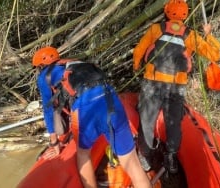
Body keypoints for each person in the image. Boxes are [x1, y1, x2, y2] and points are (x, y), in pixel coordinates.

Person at [33, 46, 151, 188]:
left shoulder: (44, 76)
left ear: (40, 66)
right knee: (133, 164)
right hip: (111, 98)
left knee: (83, 154)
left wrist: (54, 143)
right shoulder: (75, 63)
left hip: (86, 106)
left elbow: (48, 109)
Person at [133, 0, 220, 174]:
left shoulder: (155, 29)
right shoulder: (190, 35)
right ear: (185, 15)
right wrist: (208, 35)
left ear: (166, 11)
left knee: (147, 119)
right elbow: (214, 55)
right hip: (176, 86)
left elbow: (139, 51)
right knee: (173, 122)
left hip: (153, 82)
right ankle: (171, 156)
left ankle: (144, 156)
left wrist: (136, 67)